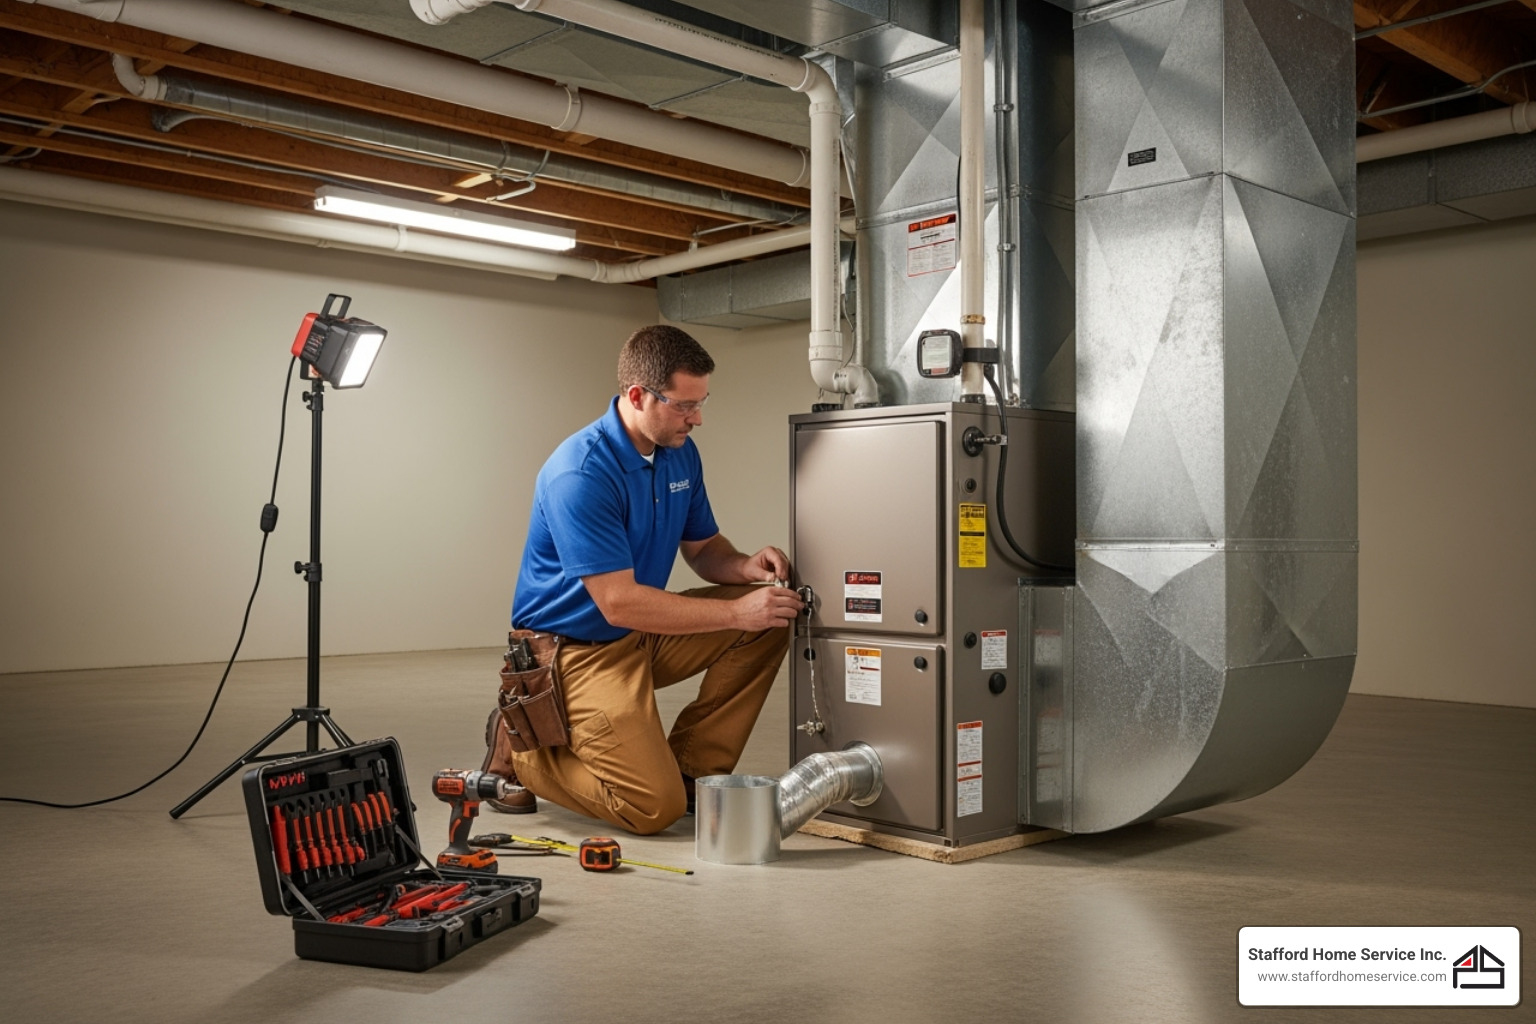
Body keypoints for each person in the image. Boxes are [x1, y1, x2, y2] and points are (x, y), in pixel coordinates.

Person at [483, 324, 803, 835]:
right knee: (655, 809)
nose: (696, 419)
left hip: (640, 634)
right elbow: (618, 603)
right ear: (637, 395)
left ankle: (692, 769)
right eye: (683, 405)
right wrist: (736, 609)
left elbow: (702, 549)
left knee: (770, 617)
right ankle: (524, 749)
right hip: (573, 654)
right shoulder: (580, 474)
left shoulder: (679, 451)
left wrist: (745, 568)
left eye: (701, 403)